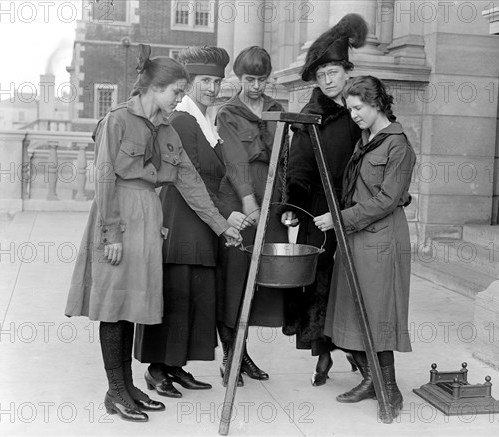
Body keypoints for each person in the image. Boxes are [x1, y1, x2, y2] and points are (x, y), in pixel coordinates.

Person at [65, 44, 241, 422]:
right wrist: (110, 233)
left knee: (130, 306)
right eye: (177, 91)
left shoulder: (165, 128)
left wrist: (221, 226)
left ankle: (128, 387)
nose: (181, 98)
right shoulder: (117, 121)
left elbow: (190, 181)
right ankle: (115, 390)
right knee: (114, 307)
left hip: (147, 218)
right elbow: (105, 178)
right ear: (153, 87)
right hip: (118, 218)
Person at [134, 46, 239, 397]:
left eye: (218, 81)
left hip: (200, 220)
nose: (212, 87)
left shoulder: (204, 121)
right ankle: (156, 369)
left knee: (193, 296)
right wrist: (223, 218)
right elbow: (187, 179)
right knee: (176, 295)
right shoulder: (182, 120)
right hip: (182, 219)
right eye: (205, 80)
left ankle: (176, 366)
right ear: (189, 84)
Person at [314, 76, 415, 417]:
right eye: (350, 109)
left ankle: (391, 392)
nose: (354, 115)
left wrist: (338, 219)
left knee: (377, 315)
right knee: (352, 313)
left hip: (381, 240)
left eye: (358, 108)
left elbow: (388, 198)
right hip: (357, 236)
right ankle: (372, 380)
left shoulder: (398, 146)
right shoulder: (366, 139)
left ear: (377, 104)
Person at [280, 13, 366, 386]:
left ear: (347, 70)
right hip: (319, 210)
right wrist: (293, 207)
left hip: (358, 209)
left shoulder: (363, 107)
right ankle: (324, 353)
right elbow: (298, 167)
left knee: (358, 282)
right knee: (320, 283)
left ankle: (359, 350)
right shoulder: (309, 116)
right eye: (320, 75)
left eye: (333, 71)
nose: (328, 80)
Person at [215, 46, 289, 386]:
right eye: (249, 79)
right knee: (234, 279)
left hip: (271, 203)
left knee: (257, 283)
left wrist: (283, 206)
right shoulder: (228, 113)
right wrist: (249, 202)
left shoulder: (278, 110)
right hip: (241, 201)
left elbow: (284, 159)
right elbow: (234, 161)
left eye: (261, 80)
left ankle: (243, 354)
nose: (256, 86)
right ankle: (231, 355)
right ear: (238, 78)